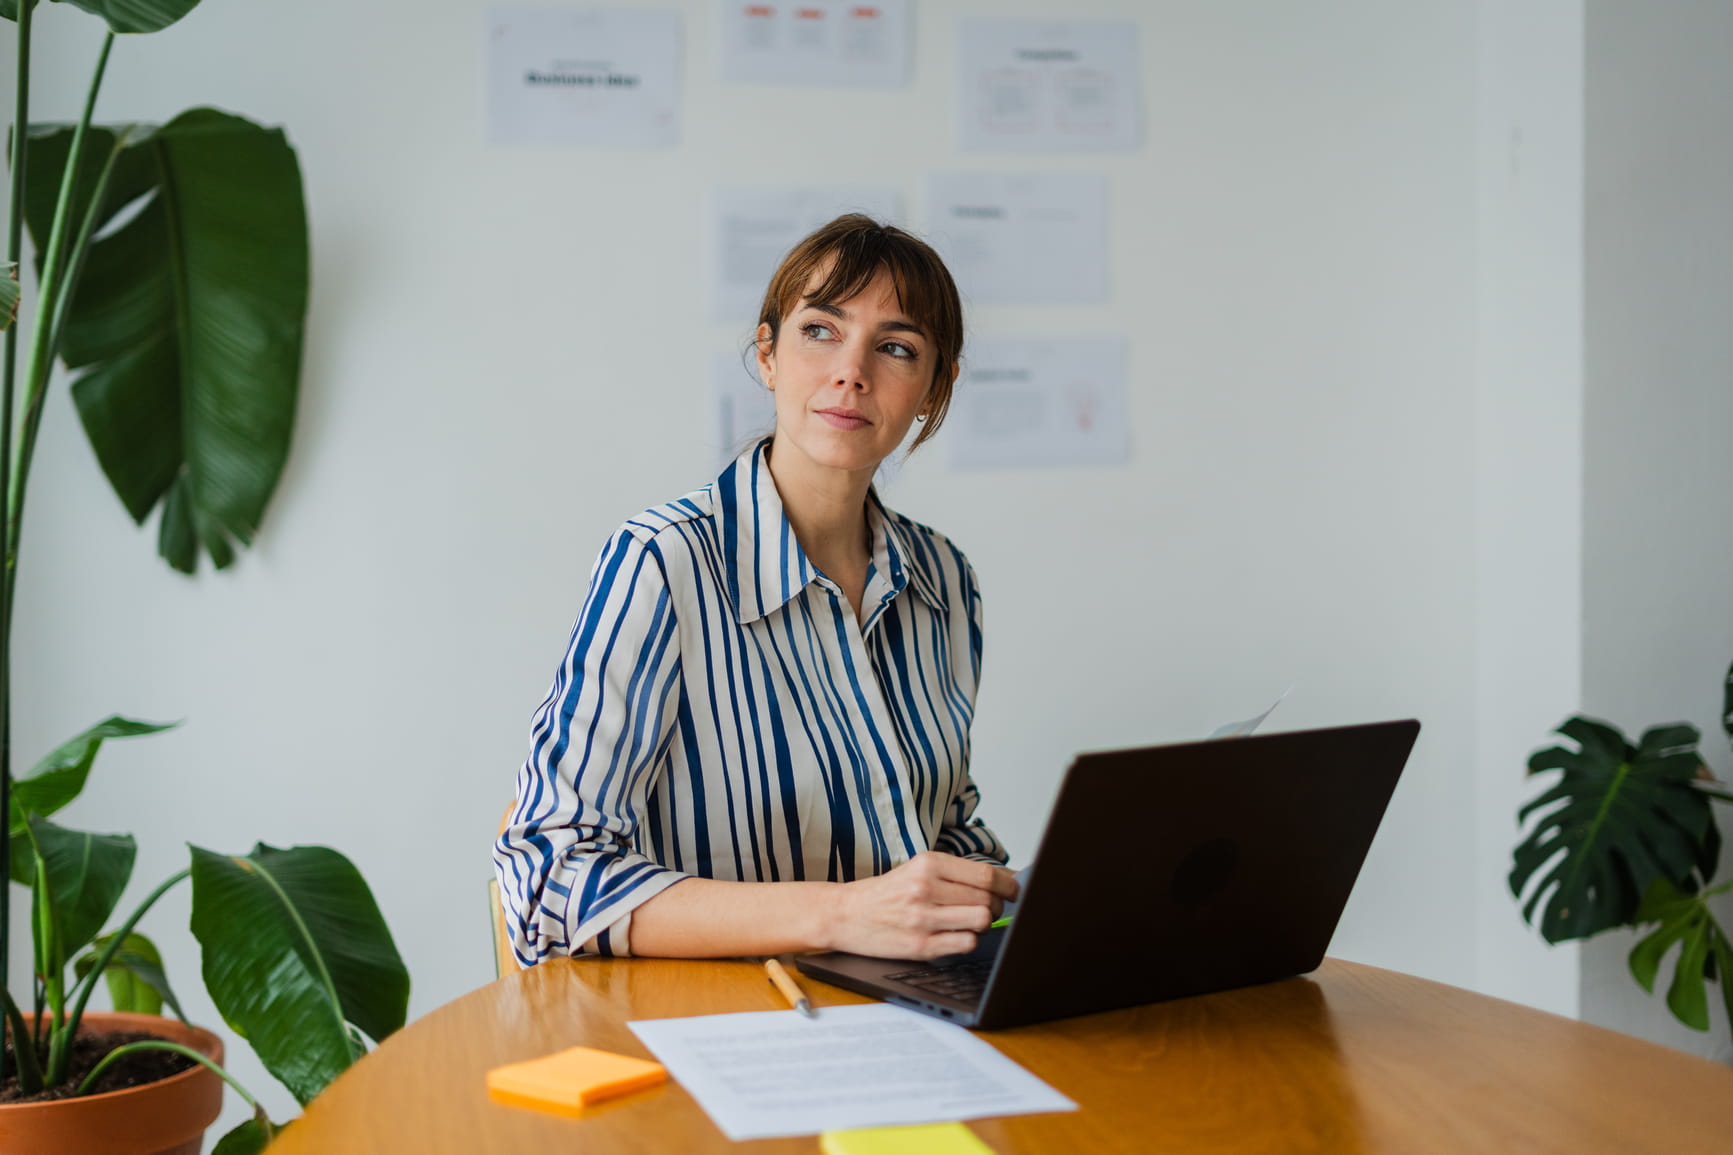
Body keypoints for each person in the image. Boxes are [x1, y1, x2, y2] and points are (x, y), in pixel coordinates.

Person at [494, 214, 1017, 964]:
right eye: (819, 332)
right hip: (714, 1023)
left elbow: (939, 829)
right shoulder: (663, 561)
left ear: (936, 387)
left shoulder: (943, 580)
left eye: (896, 348)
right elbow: (543, 880)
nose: (851, 372)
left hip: (903, 1010)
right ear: (767, 354)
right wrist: (840, 914)